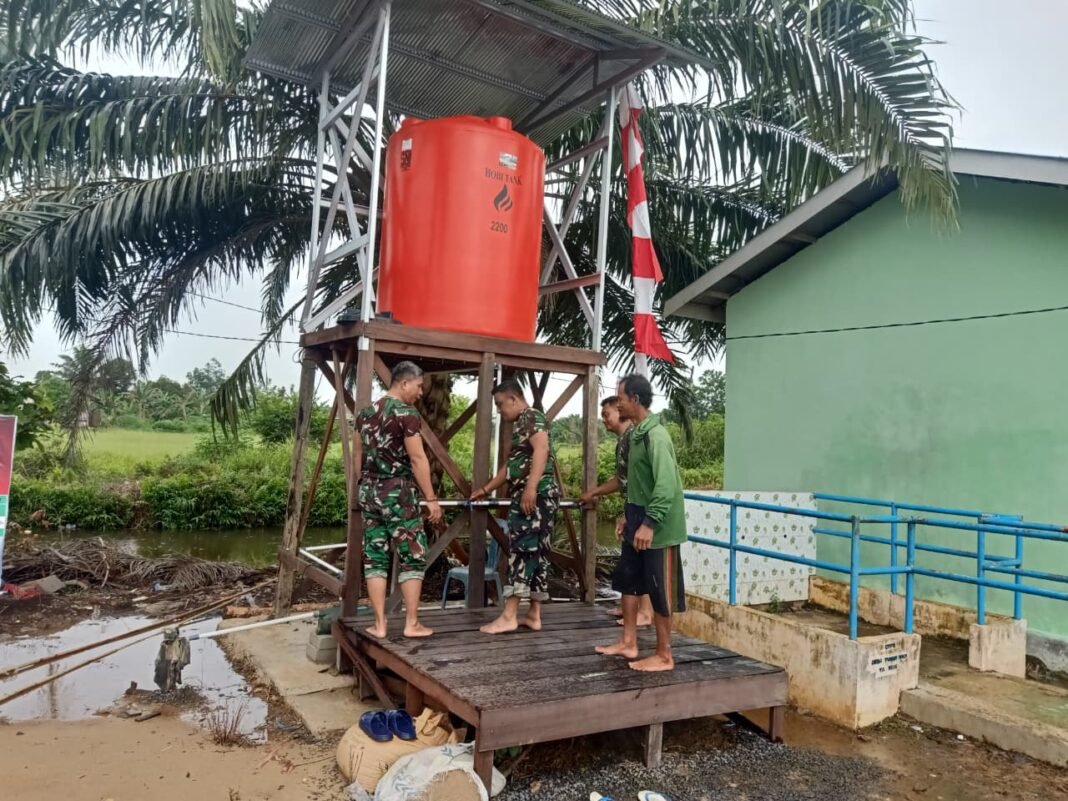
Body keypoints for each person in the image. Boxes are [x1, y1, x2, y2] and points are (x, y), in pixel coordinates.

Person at [595, 373, 686, 672]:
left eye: (620, 398)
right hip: (636, 518)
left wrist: (649, 522)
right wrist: (627, 516)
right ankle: (629, 642)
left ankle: (664, 654)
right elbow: (636, 483)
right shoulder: (634, 435)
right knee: (629, 581)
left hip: (657, 529)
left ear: (634, 400)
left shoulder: (655, 435)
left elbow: (666, 485)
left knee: (659, 590)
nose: (617, 403)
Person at [354, 361, 443, 639]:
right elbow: (417, 459)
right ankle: (412, 623)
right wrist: (431, 499)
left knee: (375, 558)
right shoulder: (406, 414)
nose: (420, 393)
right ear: (404, 383)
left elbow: (357, 456)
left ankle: (379, 625)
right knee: (413, 556)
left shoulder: (365, 414)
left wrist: (361, 486)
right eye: (418, 387)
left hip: (369, 491)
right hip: (397, 493)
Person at [471, 380, 560, 634]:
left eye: (500, 404)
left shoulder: (531, 416)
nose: (499, 410)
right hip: (538, 494)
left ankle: (509, 615)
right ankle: (534, 614)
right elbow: (511, 468)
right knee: (537, 553)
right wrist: (486, 489)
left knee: (521, 551)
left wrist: (531, 487)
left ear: (513, 399)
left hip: (535, 495)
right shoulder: (522, 424)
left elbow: (541, 449)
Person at [579, 396, 654, 628]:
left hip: (643, 509)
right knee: (631, 561)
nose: (605, 421)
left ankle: (645, 612)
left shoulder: (634, 436)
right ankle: (630, 608)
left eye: (607, 415)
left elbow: (637, 481)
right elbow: (623, 481)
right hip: (632, 507)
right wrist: (596, 493)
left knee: (642, 562)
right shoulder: (623, 441)